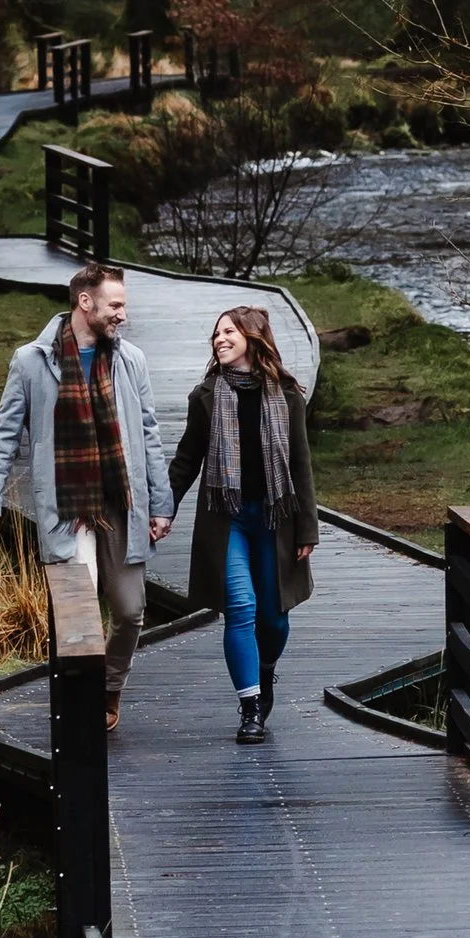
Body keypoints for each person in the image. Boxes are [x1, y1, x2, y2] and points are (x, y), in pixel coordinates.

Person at [0, 264, 174, 734]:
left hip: (122, 503)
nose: (122, 315)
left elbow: (148, 433)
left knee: (129, 612)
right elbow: (4, 434)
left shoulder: (131, 360)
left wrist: (161, 503)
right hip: (66, 507)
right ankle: (79, 707)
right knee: (77, 616)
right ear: (86, 303)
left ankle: (109, 687)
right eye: (116, 305)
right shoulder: (32, 361)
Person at [169, 304, 318, 744]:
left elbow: (301, 466)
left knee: (273, 619)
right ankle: (250, 708)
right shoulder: (206, 397)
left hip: (276, 519)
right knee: (241, 608)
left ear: (253, 337)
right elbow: (186, 460)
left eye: (228, 332)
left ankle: (264, 670)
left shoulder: (288, 397)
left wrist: (308, 528)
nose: (220, 339)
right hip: (226, 518)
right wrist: (164, 509)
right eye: (216, 334)